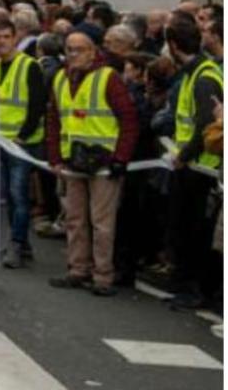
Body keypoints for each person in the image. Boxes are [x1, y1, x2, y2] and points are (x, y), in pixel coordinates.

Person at [46, 31, 138, 296]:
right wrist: (54, 157)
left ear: (92, 51)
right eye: (70, 49)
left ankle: (102, 276)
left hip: (104, 161)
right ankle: (78, 269)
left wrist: (121, 158)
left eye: (79, 49)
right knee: (75, 219)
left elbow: (128, 120)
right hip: (72, 160)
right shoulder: (61, 79)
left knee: (102, 223)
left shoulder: (108, 78)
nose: (74, 54)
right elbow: (53, 120)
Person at [163, 17, 222, 310]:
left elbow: (205, 126)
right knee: (184, 229)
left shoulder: (203, 76)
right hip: (191, 164)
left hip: (201, 169)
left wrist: (182, 156)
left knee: (196, 231)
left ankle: (196, 290)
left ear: (173, 45)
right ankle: (187, 285)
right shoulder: (194, 73)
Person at [0, 18, 48, 268]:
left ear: (14, 38)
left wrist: (23, 133)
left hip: (21, 141)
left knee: (18, 194)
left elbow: (37, 104)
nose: (1, 42)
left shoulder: (29, 66)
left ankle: (17, 242)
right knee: (11, 197)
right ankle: (20, 243)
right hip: (0, 139)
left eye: (5, 37)